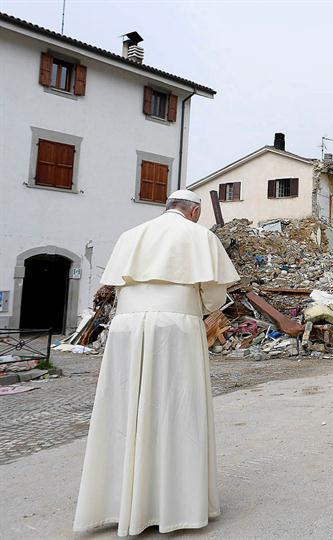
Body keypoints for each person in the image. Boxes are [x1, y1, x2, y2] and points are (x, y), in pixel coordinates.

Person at [74, 190, 239, 536]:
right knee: (176, 410)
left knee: (124, 409)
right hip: (175, 327)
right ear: (193, 212)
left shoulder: (131, 236)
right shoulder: (199, 235)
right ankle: (173, 504)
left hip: (126, 329)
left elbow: (116, 285)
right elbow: (214, 296)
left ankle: (120, 502)